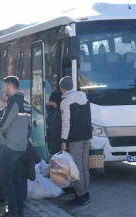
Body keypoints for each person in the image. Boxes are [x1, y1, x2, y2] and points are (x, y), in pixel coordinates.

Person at [0, 76, 31, 217]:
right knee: (16, 180)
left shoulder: (13, 101)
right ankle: (19, 211)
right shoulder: (26, 102)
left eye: (5, 87)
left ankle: (12, 212)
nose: (3, 89)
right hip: (20, 147)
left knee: (6, 179)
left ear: (11, 86)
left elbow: (5, 122)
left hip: (9, 147)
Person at [59, 76, 92, 205]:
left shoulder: (66, 102)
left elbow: (66, 124)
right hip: (86, 136)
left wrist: (63, 141)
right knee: (84, 165)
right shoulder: (85, 98)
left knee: (76, 167)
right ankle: (86, 191)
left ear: (62, 88)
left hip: (75, 138)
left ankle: (81, 195)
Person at [46, 90, 63, 156]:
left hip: (58, 140)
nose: (51, 103)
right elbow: (48, 107)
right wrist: (49, 104)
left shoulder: (61, 111)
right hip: (51, 139)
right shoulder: (52, 109)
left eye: (53, 101)